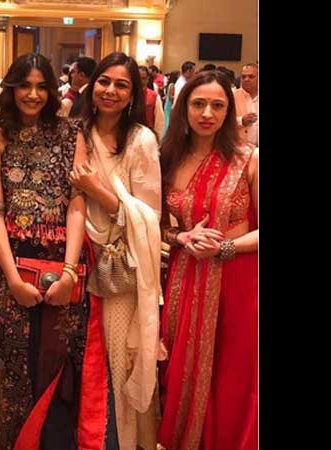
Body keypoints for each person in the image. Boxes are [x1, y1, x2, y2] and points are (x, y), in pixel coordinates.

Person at [0, 52, 118, 450]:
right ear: (11, 88)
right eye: (25, 85)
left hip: (63, 263)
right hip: (12, 264)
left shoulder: (70, 132)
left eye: (42, 86)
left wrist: (70, 272)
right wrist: (11, 279)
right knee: (15, 370)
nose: (33, 94)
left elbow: (76, 204)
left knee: (61, 367)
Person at [70, 51, 165, 450]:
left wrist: (97, 191)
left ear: (133, 95)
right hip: (77, 258)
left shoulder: (141, 140)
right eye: (104, 81)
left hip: (119, 267)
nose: (110, 91)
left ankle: (119, 441)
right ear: (91, 85)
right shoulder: (74, 131)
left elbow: (149, 218)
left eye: (121, 85)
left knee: (116, 359)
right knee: (79, 360)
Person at [158, 70, 258, 450]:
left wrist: (224, 248)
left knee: (231, 374)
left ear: (229, 111)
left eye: (217, 105)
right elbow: (157, 226)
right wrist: (180, 237)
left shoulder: (248, 160)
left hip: (237, 281)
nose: (207, 113)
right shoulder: (167, 160)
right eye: (198, 104)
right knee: (182, 367)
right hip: (184, 278)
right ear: (184, 107)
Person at [233, 63, 258, 146]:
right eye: (243, 77)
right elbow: (223, 121)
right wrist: (241, 121)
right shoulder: (232, 96)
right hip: (239, 147)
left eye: (251, 76)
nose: (246, 79)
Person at [139, 65, 165, 140]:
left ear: (148, 79)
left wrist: (157, 139)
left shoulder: (154, 97)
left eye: (143, 78)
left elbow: (159, 123)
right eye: (138, 79)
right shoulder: (128, 95)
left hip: (148, 138)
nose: (141, 81)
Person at [163, 71, 180, 137]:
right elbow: (171, 96)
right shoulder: (172, 85)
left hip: (167, 103)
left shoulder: (170, 84)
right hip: (169, 104)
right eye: (178, 75)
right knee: (168, 119)